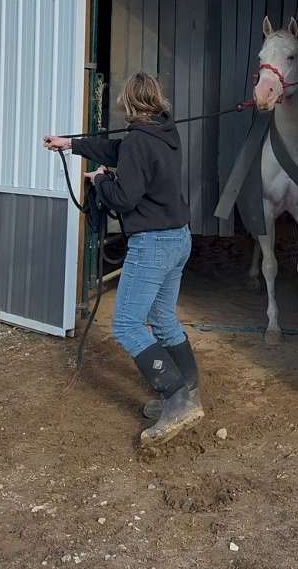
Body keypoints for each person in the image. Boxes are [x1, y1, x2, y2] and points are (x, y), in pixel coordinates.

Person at [43, 72, 203, 447]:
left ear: (128, 103)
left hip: (152, 245)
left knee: (128, 325)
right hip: (179, 238)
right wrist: (72, 144)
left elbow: (123, 198)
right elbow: (119, 150)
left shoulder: (138, 143)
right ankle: (189, 393)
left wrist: (99, 181)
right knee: (162, 318)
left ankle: (176, 399)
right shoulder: (166, 133)